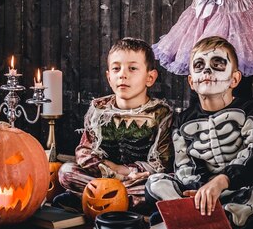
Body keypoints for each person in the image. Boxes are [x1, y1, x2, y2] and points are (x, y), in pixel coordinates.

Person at [145, 35, 253, 229]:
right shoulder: (183, 120)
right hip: (197, 192)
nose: (207, 70)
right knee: (155, 182)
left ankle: (190, 216)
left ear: (234, 79)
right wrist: (198, 188)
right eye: (199, 65)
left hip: (237, 190)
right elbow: (184, 163)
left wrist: (222, 181)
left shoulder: (248, 111)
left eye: (217, 64)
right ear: (191, 81)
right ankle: (201, 214)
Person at [55, 38, 173, 212]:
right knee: (66, 172)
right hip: (103, 176)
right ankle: (118, 201)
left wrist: (126, 171)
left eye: (132, 68)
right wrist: (112, 172)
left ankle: (89, 199)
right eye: (116, 68)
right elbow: (83, 151)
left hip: (138, 180)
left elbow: (162, 162)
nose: (122, 75)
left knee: (159, 185)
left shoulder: (160, 114)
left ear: (150, 77)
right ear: (109, 77)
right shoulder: (99, 110)